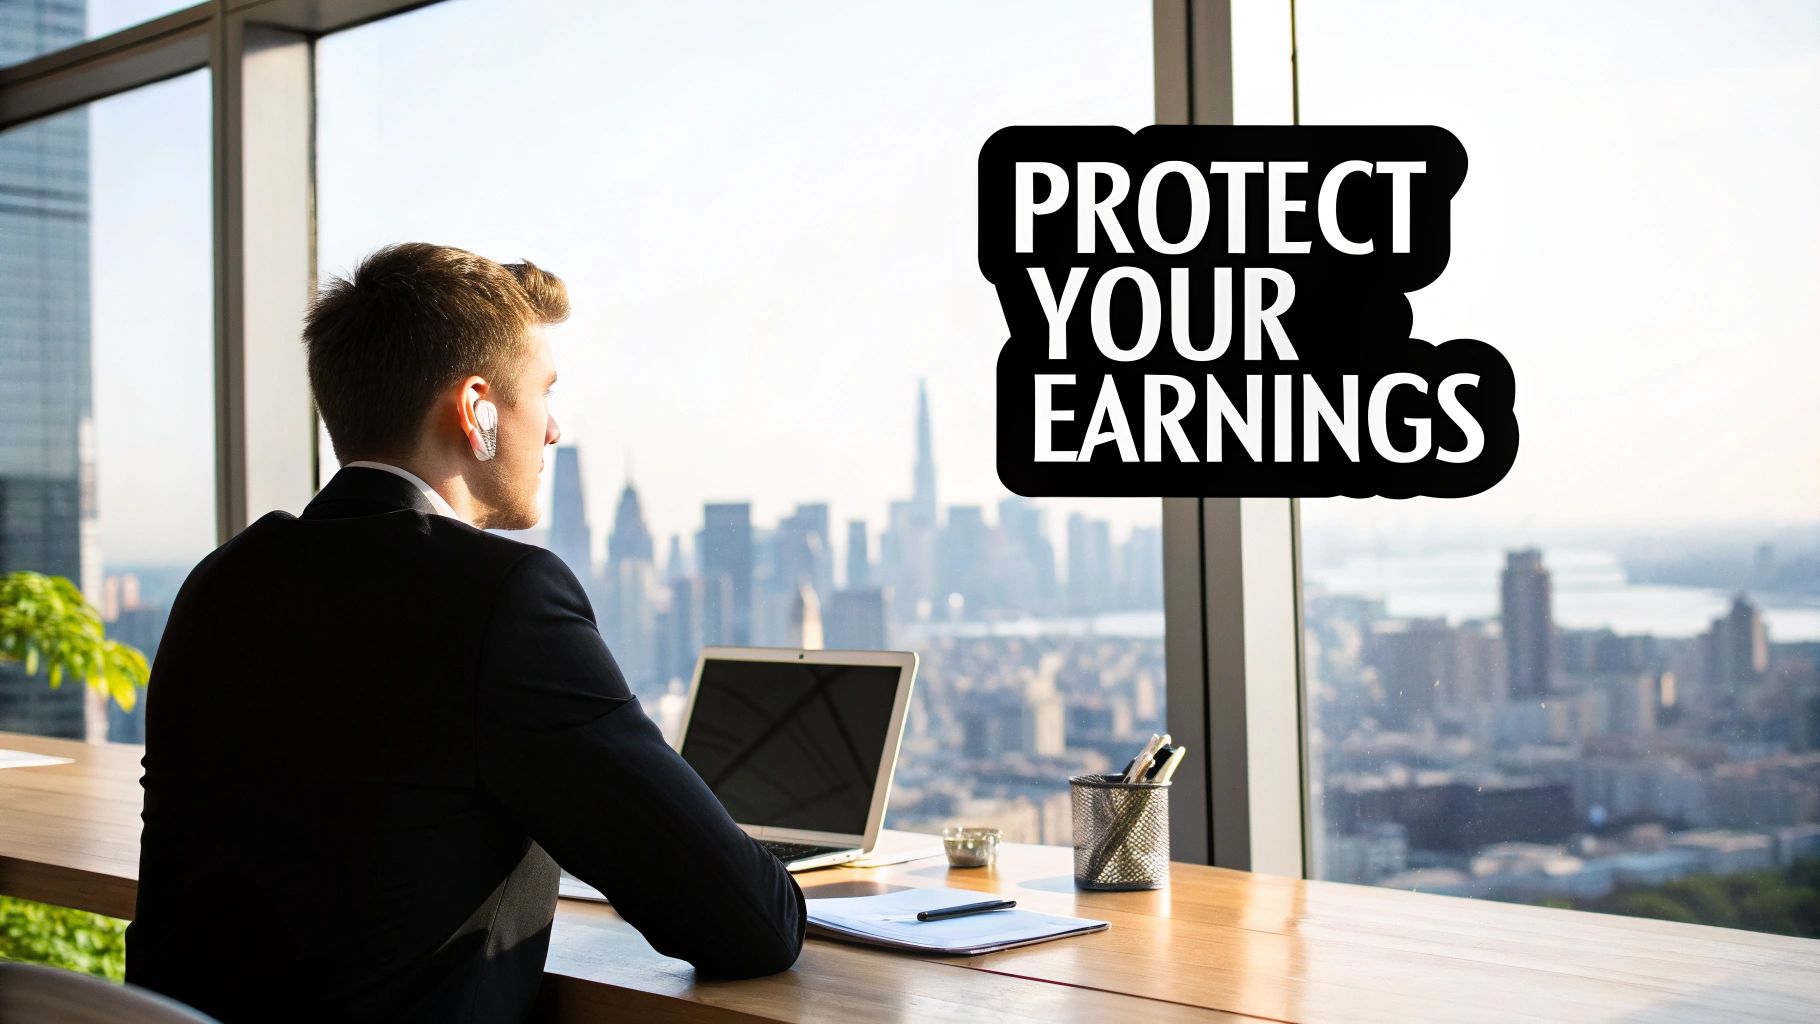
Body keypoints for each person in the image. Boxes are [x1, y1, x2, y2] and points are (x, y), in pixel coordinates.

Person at [124, 243, 805, 1023]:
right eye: (543, 394)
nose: (553, 430)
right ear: (476, 408)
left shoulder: (221, 579)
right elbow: (750, 925)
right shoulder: (499, 597)